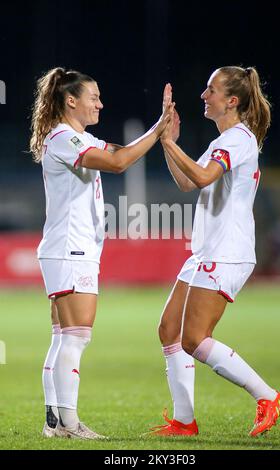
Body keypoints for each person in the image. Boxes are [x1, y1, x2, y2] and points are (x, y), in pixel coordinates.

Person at [146, 67, 280, 437]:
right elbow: (186, 181)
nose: (203, 95)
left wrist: (171, 143)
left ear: (232, 100)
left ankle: (268, 396)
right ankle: (184, 421)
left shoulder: (238, 139)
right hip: (206, 251)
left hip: (227, 251)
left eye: (211, 89)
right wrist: (166, 141)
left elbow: (202, 177)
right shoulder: (222, 141)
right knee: (169, 330)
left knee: (194, 339)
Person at [30, 67, 172, 440]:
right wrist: (158, 131)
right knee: (76, 336)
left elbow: (121, 151)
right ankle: (70, 423)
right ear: (71, 100)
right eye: (93, 97)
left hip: (69, 249)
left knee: (63, 336)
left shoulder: (78, 138)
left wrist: (157, 129)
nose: (100, 103)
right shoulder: (64, 138)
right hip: (70, 249)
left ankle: (55, 424)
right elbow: (118, 163)